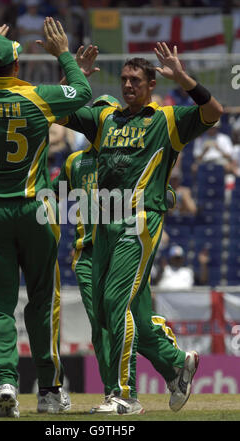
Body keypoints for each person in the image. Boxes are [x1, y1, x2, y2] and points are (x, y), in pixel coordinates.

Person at [58, 42, 223, 414]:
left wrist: (182, 78)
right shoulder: (106, 119)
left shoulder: (166, 120)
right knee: (112, 311)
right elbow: (55, 109)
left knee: (116, 303)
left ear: (150, 85)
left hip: (138, 222)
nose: (128, 85)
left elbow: (214, 112)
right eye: (124, 80)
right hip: (104, 225)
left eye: (136, 80)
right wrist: (76, 74)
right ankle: (177, 364)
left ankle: (124, 395)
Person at [0, 19, 92, 418]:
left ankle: (7, 382)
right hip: (36, 210)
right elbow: (82, 91)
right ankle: (48, 390)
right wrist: (64, 53)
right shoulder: (36, 97)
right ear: (16, 66)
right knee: (44, 301)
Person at [53, 95, 190, 413]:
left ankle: (144, 381)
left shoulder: (132, 160)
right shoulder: (74, 162)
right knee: (115, 325)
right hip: (89, 252)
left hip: (126, 244)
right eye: (95, 114)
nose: (98, 119)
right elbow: (56, 201)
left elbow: (165, 195)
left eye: (104, 113)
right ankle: (150, 378)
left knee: (127, 323)